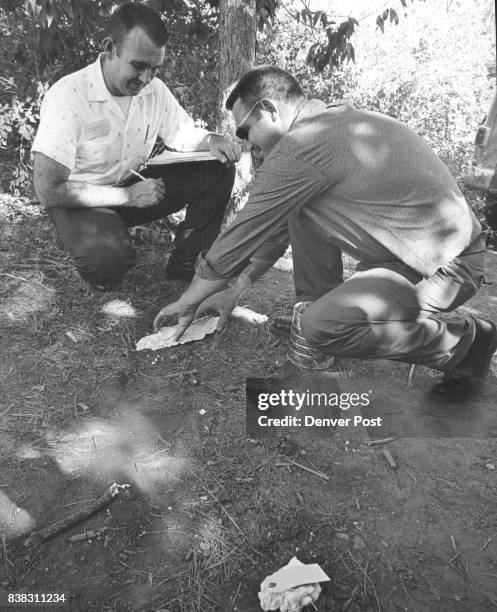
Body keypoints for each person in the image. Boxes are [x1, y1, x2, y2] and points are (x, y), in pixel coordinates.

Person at [153, 65, 497, 403]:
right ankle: (318, 311)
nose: (246, 145)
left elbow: (242, 234)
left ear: (270, 110)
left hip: (449, 266)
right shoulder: (322, 127)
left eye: (245, 131)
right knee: (299, 212)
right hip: (410, 255)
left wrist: (187, 302)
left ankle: (466, 345)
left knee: (324, 327)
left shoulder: (303, 145)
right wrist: (235, 290)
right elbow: (273, 227)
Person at [32, 1, 240, 290]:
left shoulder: (154, 90)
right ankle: (97, 244)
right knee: (106, 263)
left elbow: (181, 132)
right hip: (81, 202)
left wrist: (210, 140)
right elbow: (48, 190)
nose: (146, 79)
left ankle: (186, 262)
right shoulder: (67, 97)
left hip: (134, 186)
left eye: (154, 69)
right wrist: (126, 196)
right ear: (109, 48)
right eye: (138, 66)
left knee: (217, 168)